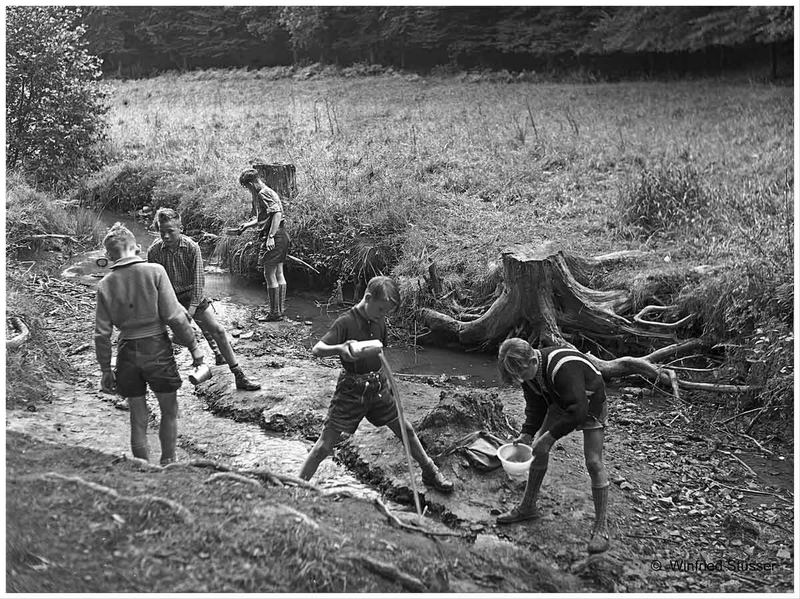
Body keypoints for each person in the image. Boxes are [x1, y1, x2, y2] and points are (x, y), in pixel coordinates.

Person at [299, 276, 454, 493]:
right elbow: (317, 349)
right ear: (368, 298)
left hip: (377, 386)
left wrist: (388, 384)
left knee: (405, 429)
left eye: (387, 312)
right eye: (381, 309)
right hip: (351, 390)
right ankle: (296, 487)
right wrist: (341, 348)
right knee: (325, 446)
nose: (384, 315)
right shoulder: (345, 322)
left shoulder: (380, 320)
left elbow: (381, 355)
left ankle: (430, 470)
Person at [94, 222, 205, 465]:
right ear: (137, 248)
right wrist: (194, 348)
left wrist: (105, 370)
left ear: (109, 256)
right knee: (169, 411)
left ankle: (142, 468)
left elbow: (102, 335)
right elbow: (174, 316)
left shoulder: (105, 284)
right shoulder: (155, 271)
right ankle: (168, 462)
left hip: (127, 353)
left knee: (137, 415)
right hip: (156, 348)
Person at [495, 337, 610, 554]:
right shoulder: (528, 373)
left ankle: (601, 528)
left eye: (521, 374)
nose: (520, 380)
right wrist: (527, 434)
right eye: (515, 377)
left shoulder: (562, 368)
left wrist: (550, 436)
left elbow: (578, 411)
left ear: (532, 361)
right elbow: (536, 406)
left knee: (593, 462)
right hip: (559, 399)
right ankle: (527, 506)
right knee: (538, 448)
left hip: (589, 400)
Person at [147, 208, 261, 391]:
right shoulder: (154, 251)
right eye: (162, 233)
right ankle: (157, 378)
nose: (166, 236)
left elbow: (199, 282)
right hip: (169, 298)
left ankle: (239, 375)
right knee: (159, 336)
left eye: (170, 231)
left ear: (181, 228)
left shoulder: (192, 248)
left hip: (193, 295)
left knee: (218, 330)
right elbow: (154, 284)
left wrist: (190, 312)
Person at [237, 168, 290, 322]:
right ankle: (279, 310)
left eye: (247, 187)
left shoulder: (262, 193)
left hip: (275, 235)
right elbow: (266, 217)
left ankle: (274, 313)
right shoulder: (268, 191)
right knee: (278, 272)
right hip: (282, 234)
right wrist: (247, 225)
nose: (248, 190)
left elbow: (277, 214)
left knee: (269, 273)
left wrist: (271, 237)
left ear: (252, 183)